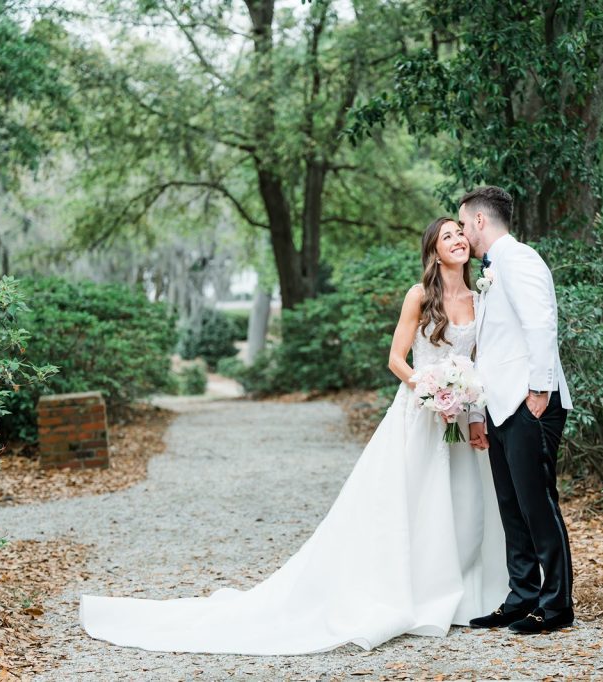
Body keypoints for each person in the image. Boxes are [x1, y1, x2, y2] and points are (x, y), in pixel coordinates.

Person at [79, 217, 508, 655]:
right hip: (420, 413)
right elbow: (397, 359)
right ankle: (411, 593)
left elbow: (475, 364)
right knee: (414, 502)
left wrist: (470, 412)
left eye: (460, 234)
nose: (457, 240)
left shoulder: (478, 298)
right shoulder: (419, 296)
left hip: (457, 417)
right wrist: (429, 389)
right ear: (435, 252)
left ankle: (457, 594)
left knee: (464, 501)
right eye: (447, 237)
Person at [458, 186, 575, 634]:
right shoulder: (491, 270)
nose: (463, 231)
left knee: (539, 505)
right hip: (501, 406)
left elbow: (540, 323)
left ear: (480, 222)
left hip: (531, 403)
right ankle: (522, 595)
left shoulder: (520, 258)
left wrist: (539, 391)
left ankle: (557, 604)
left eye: (464, 223)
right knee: (512, 506)